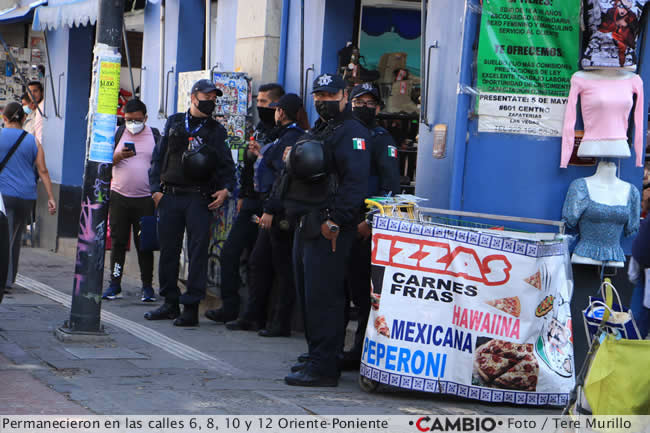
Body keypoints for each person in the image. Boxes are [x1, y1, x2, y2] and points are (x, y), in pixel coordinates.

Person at [283, 73, 371, 387]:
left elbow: (356, 183)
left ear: (344, 96)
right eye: (319, 95)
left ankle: (324, 367)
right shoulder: (322, 129)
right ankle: (317, 354)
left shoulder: (352, 133)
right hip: (307, 221)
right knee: (309, 295)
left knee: (325, 297)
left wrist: (335, 219)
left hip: (329, 226)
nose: (323, 101)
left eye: (330, 96)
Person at [146, 79, 235, 327]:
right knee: (168, 252)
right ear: (193, 97)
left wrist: (225, 190)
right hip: (170, 196)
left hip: (199, 198)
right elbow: (158, 157)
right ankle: (169, 302)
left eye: (214, 98)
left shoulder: (217, 131)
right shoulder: (175, 121)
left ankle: (191, 307)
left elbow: (227, 166)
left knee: (197, 254)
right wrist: (155, 190)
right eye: (206, 97)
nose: (211, 102)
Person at [205, 83, 285, 325]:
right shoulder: (260, 129)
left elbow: (280, 172)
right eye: (257, 102)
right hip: (249, 201)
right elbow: (248, 167)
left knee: (259, 262)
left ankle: (256, 314)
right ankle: (230, 306)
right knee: (230, 253)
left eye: (263, 102)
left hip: (269, 206)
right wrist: (241, 195)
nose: (259, 106)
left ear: (277, 106)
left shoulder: (284, 135)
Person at [226, 93, 305, 335]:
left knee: (281, 268)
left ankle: (279, 323)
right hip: (267, 205)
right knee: (258, 263)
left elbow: (284, 175)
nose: (274, 112)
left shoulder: (293, 137)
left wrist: (271, 209)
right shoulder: (279, 135)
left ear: (284, 111)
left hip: (279, 211)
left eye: (277, 108)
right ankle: (253, 316)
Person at [341, 83, 401, 369]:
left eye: (370, 102)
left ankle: (359, 350)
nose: (364, 106)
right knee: (339, 290)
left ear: (378, 107)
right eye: (358, 101)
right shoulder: (343, 133)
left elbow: (390, 188)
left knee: (364, 293)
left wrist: (369, 222)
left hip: (364, 229)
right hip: (340, 221)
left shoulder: (381, 139)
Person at [102, 99, 161, 302]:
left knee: (144, 244)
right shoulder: (117, 134)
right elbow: (103, 162)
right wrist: (117, 156)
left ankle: (147, 286)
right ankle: (114, 284)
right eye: (128, 120)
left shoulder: (154, 136)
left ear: (145, 118)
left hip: (145, 199)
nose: (133, 124)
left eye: (137, 120)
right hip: (119, 197)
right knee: (118, 242)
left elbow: (161, 165)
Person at [0, 102, 56, 292]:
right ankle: (10, 277)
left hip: (4, 196)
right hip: (26, 196)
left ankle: (4, 281)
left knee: (3, 238)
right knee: (15, 237)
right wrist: (51, 197)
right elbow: (43, 170)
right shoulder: (33, 141)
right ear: (24, 119)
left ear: (4, 118)